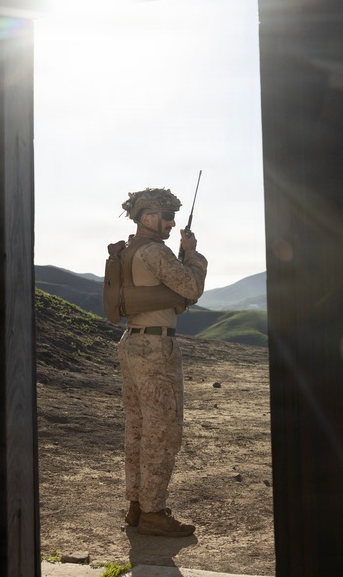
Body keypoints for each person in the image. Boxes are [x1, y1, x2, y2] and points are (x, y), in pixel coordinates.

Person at [117, 187, 207, 538]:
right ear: (147, 217)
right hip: (155, 348)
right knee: (162, 431)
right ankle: (153, 512)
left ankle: (138, 507)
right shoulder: (155, 251)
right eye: (166, 216)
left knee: (139, 429)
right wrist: (193, 254)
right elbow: (191, 287)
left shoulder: (128, 250)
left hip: (133, 343)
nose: (172, 223)